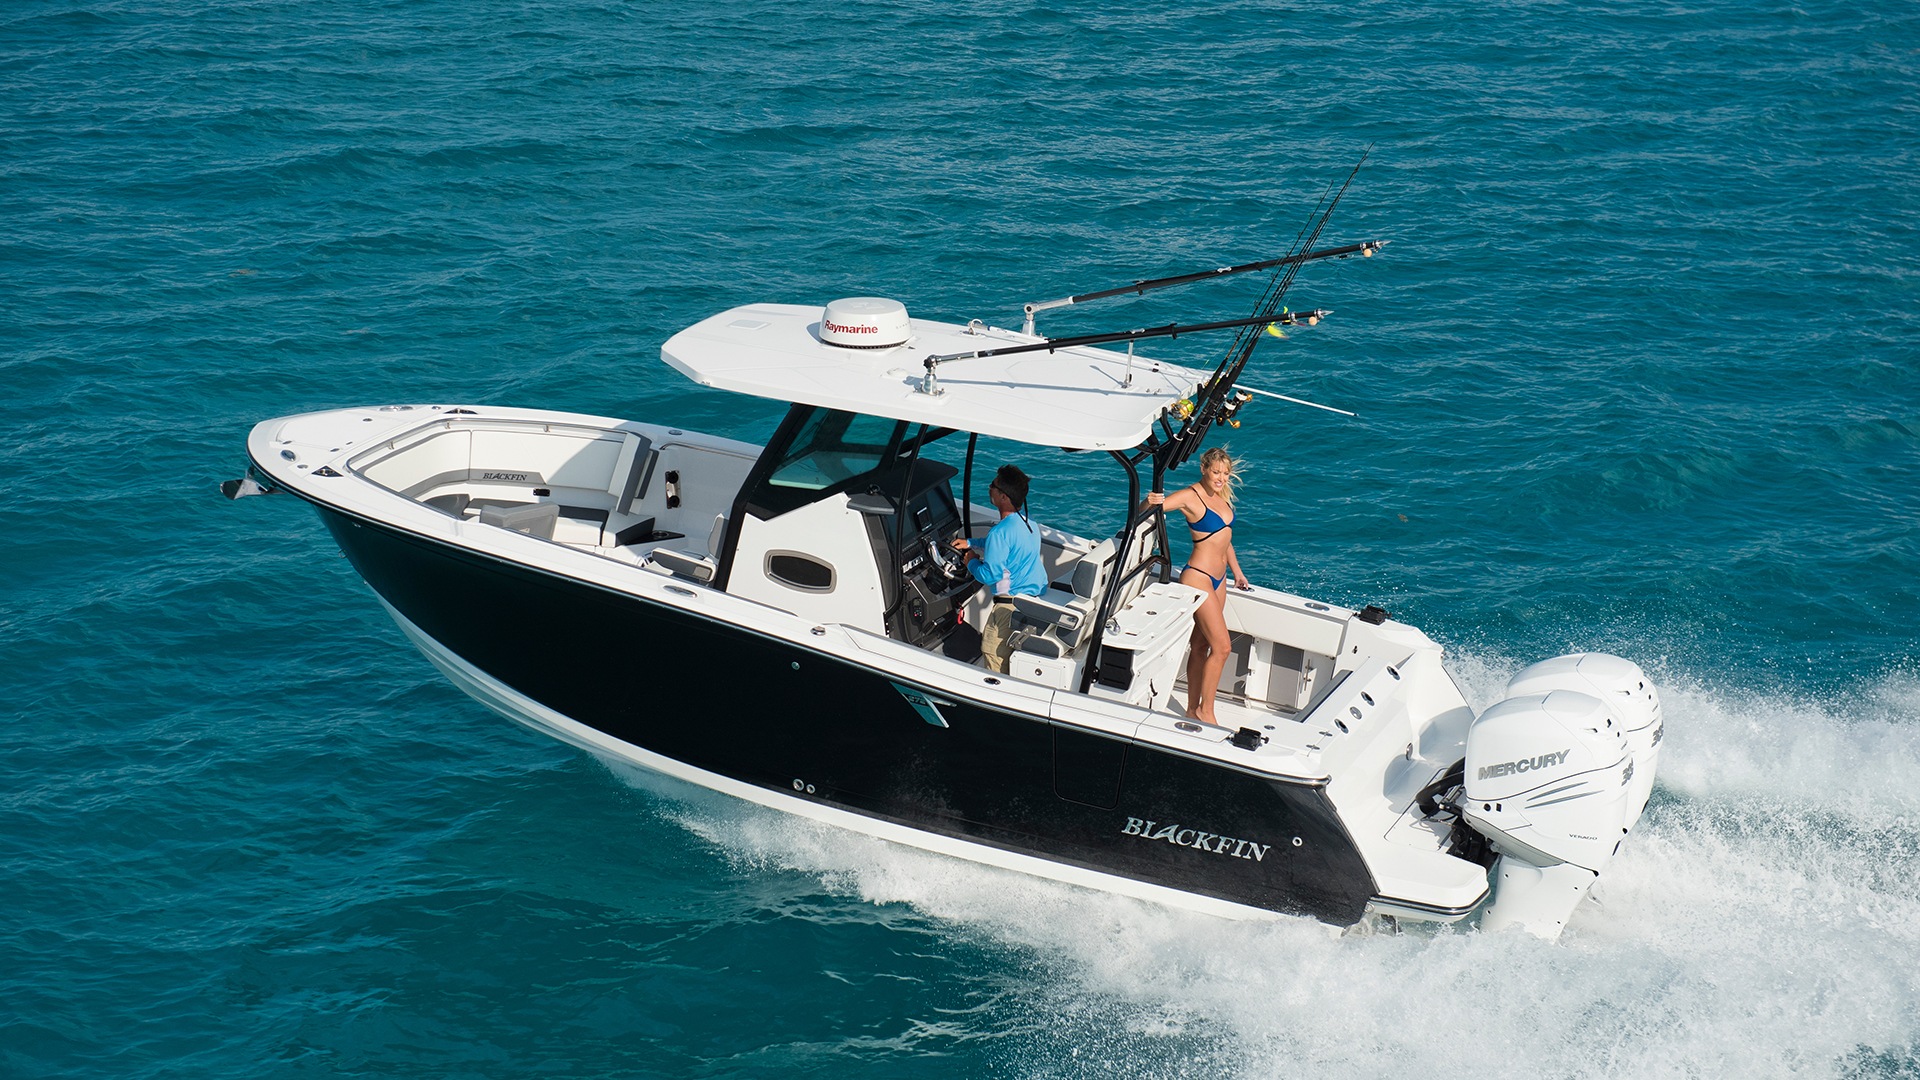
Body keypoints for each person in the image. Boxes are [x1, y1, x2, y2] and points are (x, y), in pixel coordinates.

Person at [1147, 446, 1251, 726]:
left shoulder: (1221, 496)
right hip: (1198, 576)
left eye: (1225, 473)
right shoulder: (1190, 497)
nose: (1221, 478)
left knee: (1201, 644)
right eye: (1216, 472)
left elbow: (1225, 539)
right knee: (1223, 647)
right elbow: (1150, 511)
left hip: (1220, 579)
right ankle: (1207, 712)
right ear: (1204, 468)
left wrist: (1237, 572)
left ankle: (1192, 710)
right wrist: (1149, 501)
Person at [950, 464, 1047, 673]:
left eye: (993, 485)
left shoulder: (999, 533)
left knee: (993, 654)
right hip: (1032, 602)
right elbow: (1007, 546)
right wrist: (971, 542)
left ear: (1003, 497)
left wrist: (971, 561)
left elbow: (989, 575)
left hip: (1008, 608)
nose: (989, 488)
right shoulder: (1029, 523)